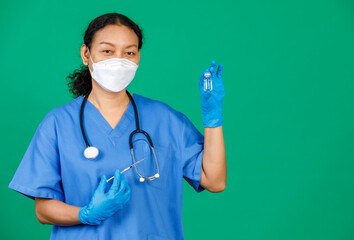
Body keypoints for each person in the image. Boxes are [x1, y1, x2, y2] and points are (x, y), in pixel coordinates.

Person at [8, 12, 226, 240]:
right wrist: (85, 214)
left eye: (129, 52)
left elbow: (215, 180)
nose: (119, 60)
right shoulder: (58, 124)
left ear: (138, 57)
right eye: (107, 51)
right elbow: (43, 210)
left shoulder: (165, 119)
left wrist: (213, 117)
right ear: (86, 54)